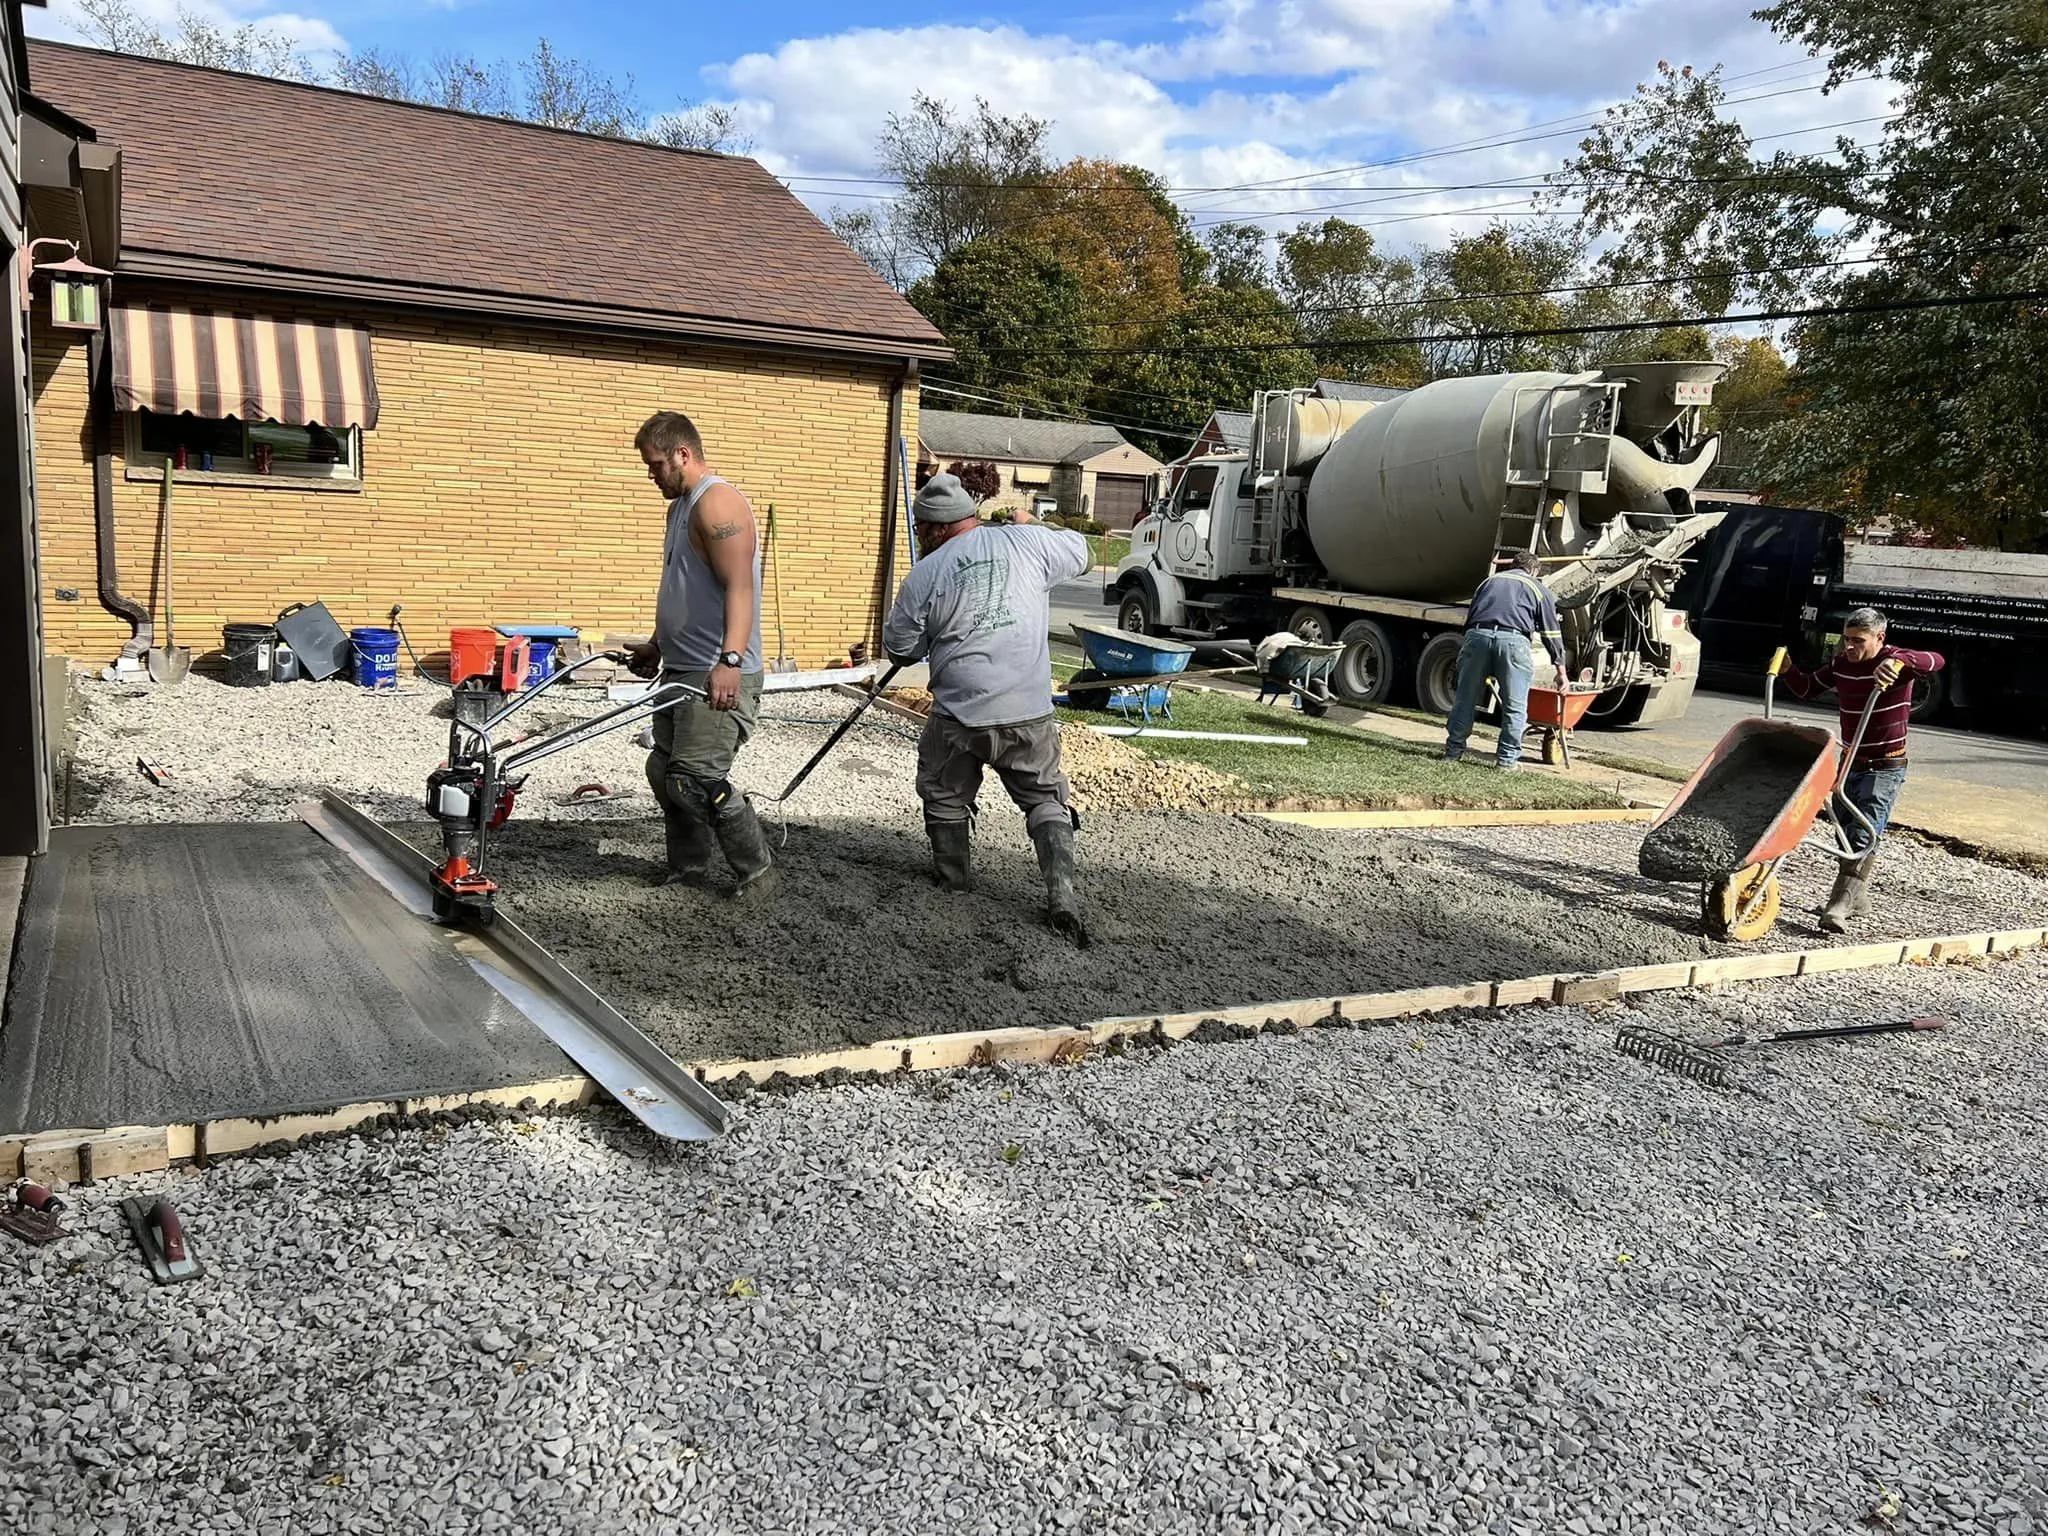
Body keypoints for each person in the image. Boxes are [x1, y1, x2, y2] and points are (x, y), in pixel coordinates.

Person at [883, 474, 1093, 939]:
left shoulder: (926, 574)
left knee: (943, 791)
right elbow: (1083, 552)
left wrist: (928, 638)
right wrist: (1031, 525)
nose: (921, 536)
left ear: (936, 529)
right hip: (1028, 714)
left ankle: (953, 884)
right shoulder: (1029, 542)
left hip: (961, 716)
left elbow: (900, 649)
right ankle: (1061, 895)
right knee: (1044, 798)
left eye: (921, 529)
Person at [624, 411, 777, 898]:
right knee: (663, 771)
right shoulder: (680, 508)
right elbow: (684, 587)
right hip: (682, 666)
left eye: (655, 466)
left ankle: (758, 873)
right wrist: (657, 642)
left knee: (695, 780)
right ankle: (689, 869)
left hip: (717, 672)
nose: (651, 476)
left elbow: (740, 588)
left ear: (682, 454)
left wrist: (730, 660)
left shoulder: (719, 505)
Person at [1777, 607, 1944, 932]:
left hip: (1885, 765)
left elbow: (1936, 659)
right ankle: (1858, 898)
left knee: (1864, 832)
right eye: (1847, 640)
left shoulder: (1896, 663)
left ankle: (1839, 903)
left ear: (1880, 639)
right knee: (1843, 828)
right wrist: (1787, 671)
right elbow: (1808, 688)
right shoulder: (1841, 664)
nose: (1850, 647)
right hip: (1851, 762)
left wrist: (1900, 662)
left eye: (1859, 641)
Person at [1443, 549, 1568, 771]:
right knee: (1515, 706)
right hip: (1513, 642)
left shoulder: (1488, 582)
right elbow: (1551, 632)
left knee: (1465, 698)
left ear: (1512, 565)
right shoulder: (1537, 589)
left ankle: (1453, 752)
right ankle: (1507, 761)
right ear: (1533, 570)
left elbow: (1471, 615)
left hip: (1477, 637)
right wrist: (1561, 672)